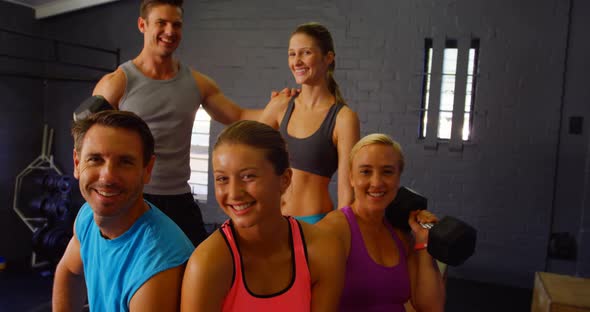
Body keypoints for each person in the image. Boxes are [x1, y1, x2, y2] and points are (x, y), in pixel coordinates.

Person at [92, 0, 293, 245]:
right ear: (142, 25)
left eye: (176, 24)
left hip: (179, 197)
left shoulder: (197, 83)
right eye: (161, 23)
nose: (170, 31)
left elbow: (238, 116)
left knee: (194, 269)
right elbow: (90, 142)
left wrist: (277, 108)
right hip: (135, 197)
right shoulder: (117, 83)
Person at [180, 120, 345, 311]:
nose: (233, 193)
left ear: (284, 180)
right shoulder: (207, 263)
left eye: (248, 176)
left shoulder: (323, 250)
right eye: (222, 179)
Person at [52, 110, 194, 311]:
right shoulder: (87, 217)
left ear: (147, 170)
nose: (107, 177)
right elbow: (69, 271)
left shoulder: (157, 263)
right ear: (77, 163)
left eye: (125, 162)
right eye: (95, 159)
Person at [317, 134, 445, 312]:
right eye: (365, 171)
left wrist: (423, 243)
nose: (376, 182)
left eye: (387, 172)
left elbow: (431, 307)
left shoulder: (400, 235)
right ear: (351, 178)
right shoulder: (334, 230)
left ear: (398, 179)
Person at [260, 22, 360, 224]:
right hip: (273, 220)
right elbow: (244, 148)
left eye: (305, 53)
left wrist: (340, 237)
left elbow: (347, 195)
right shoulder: (281, 105)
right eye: (291, 54)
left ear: (328, 58)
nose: (296, 61)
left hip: (314, 223)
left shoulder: (343, 118)